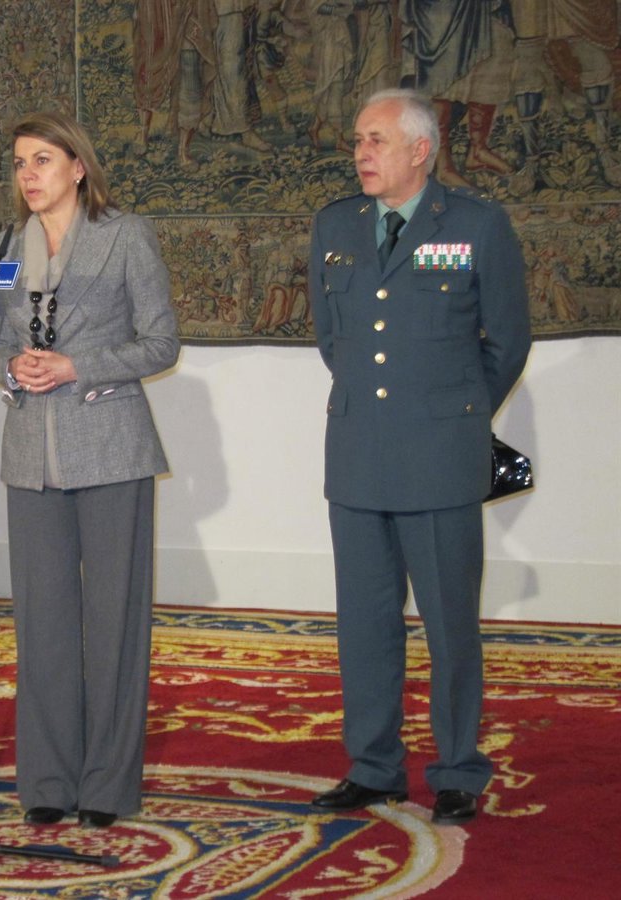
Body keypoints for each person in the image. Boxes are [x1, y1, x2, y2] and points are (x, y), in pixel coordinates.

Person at [308, 89, 531, 826]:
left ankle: (458, 770)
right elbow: (332, 337)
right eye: (358, 141)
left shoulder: (474, 225)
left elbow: (507, 341)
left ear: (420, 149)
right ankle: (373, 767)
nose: (361, 153)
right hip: (358, 455)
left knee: (449, 625)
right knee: (363, 625)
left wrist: (455, 413)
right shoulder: (336, 224)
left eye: (376, 140)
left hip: (439, 460)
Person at [0, 111, 180, 828]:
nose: (28, 175)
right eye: (19, 163)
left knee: (114, 619)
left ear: (78, 167)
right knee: (43, 623)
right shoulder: (4, 245)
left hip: (111, 447)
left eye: (42, 160)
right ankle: (47, 779)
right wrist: (11, 365)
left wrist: (76, 366)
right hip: (30, 454)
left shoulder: (126, 235)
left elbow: (161, 342)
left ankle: (107, 785)